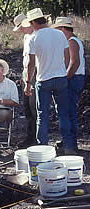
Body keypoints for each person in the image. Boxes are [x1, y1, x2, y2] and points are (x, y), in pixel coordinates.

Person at [24, 8, 75, 155]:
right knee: (63, 114)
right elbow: (67, 57)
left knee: (42, 115)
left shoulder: (33, 38)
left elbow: (31, 63)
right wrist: (62, 71)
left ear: (33, 22)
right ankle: (68, 146)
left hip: (43, 79)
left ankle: (43, 148)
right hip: (60, 78)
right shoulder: (59, 34)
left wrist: (28, 82)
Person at [52, 17, 85, 152]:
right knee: (69, 111)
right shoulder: (73, 41)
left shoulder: (71, 42)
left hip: (73, 79)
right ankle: (70, 141)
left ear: (64, 29)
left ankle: (69, 145)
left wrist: (65, 78)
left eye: (58, 30)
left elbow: (74, 62)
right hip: (75, 78)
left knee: (66, 111)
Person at [13, 13, 36, 148]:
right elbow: (26, 60)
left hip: (34, 74)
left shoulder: (36, 36)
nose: (21, 30)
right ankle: (30, 136)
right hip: (27, 74)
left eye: (21, 27)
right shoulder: (26, 37)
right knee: (27, 107)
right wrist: (24, 75)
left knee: (33, 107)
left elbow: (34, 61)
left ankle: (35, 138)